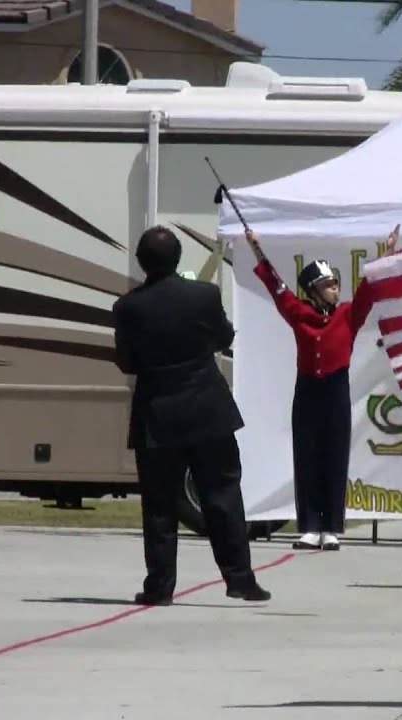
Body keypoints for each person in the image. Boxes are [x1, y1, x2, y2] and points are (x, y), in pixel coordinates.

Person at [112, 226, 271, 606]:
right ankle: (240, 579)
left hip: (157, 415)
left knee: (160, 506)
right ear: (179, 258)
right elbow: (225, 337)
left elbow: (127, 362)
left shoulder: (128, 307)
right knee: (223, 497)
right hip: (207, 410)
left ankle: (160, 586)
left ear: (141, 261)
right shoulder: (204, 295)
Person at [244, 225, 399, 551]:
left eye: (335, 284)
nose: (335, 289)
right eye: (328, 285)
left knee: (334, 457)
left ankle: (331, 527)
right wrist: (256, 248)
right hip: (307, 391)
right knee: (307, 458)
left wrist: (386, 254)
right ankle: (310, 526)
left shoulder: (347, 315)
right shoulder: (299, 313)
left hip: (335, 390)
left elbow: (368, 290)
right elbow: (277, 287)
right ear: (313, 290)